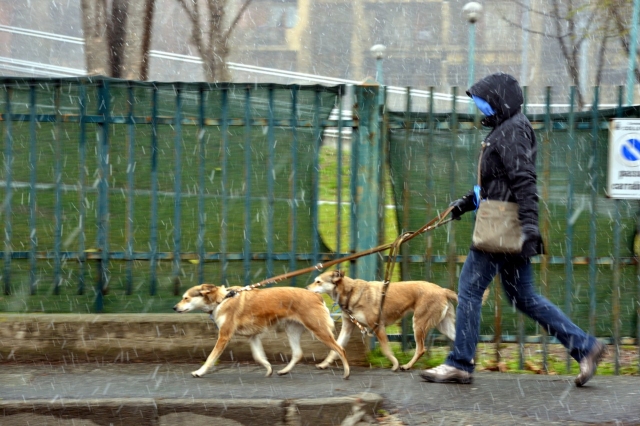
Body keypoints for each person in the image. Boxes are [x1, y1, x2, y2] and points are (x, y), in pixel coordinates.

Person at [420, 72, 606, 387]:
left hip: (501, 228)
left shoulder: (512, 131)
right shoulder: (508, 129)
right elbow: (497, 183)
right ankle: (586, 347)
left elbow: (523, 181)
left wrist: (530, 227)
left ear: (500, 101)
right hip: (507, 226)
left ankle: (460, 362)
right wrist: (465, 203)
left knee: (468, 291)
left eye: (484, 104)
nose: (481, 110)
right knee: (524, 296)